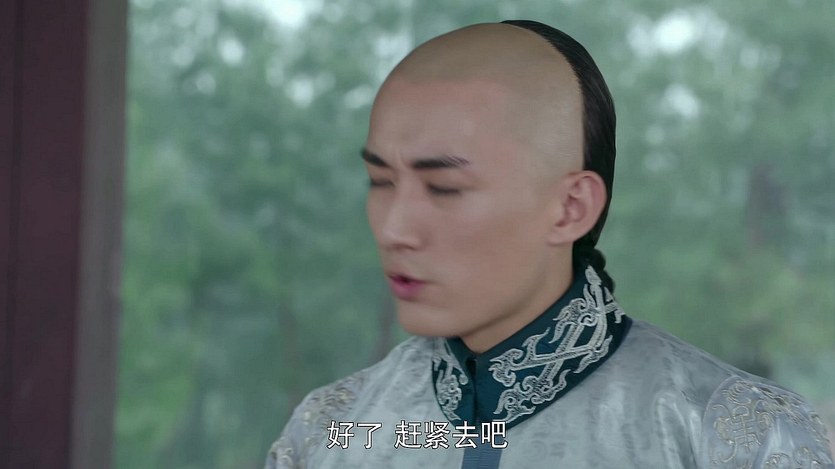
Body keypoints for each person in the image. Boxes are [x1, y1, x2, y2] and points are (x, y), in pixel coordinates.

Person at [266, 20, 833, 468]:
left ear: (571, 207)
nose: (394, 228)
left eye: (443, 188)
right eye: (381, 181)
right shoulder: (330, 429)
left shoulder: (734, 433)